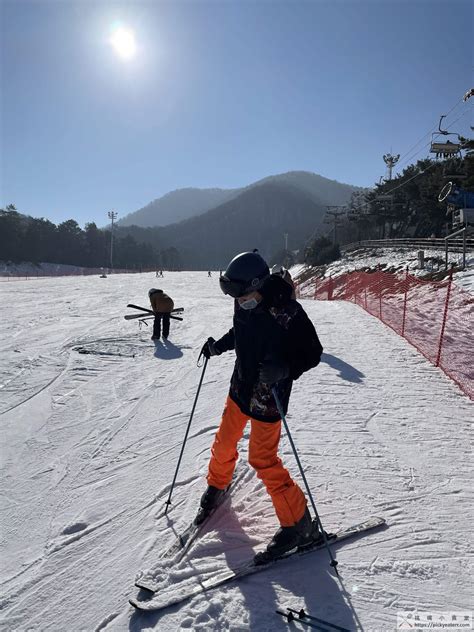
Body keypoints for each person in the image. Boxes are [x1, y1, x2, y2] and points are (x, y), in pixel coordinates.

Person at [200, 251, 323, 562]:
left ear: (258, 284)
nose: (237, 300)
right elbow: (241, 333)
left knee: (262, 459)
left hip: (269, 395)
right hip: (241, 386)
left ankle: (299, 525)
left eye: (239, 293)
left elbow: (312, 352)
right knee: (225, 440)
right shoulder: (244, 299)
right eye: (231, 294)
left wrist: (284, 369)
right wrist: (219, 346)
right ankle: (217, 485)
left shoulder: (287, 311)